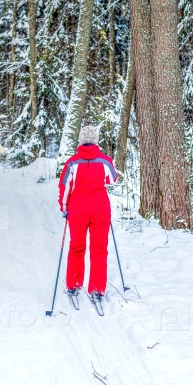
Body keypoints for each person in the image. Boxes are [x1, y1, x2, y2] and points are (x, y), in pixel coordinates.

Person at [58, 125, 117, 301]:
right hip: (101, 210)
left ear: (81, 140)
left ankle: (74, 285)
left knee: (76, 247)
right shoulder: (106, 161)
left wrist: (64, 207)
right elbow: (111, 179)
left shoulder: (72, 162)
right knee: (99, 249)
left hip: (78, 210)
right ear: (96, 140)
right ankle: (97, 289)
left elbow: (64, 186)